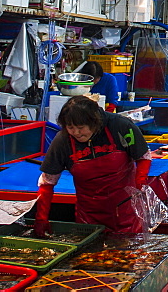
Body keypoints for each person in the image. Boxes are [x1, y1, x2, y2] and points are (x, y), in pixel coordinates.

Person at [35, 96, 150, 235]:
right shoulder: (62, 141)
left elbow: (143, 157)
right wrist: (41, 218)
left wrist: (139, 186)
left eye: (81, 128)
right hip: (88, 217)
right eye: (70, 128)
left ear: (94, 122)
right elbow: (47, 182)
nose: (76, 133)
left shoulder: (120, 126)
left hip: (126, 211)